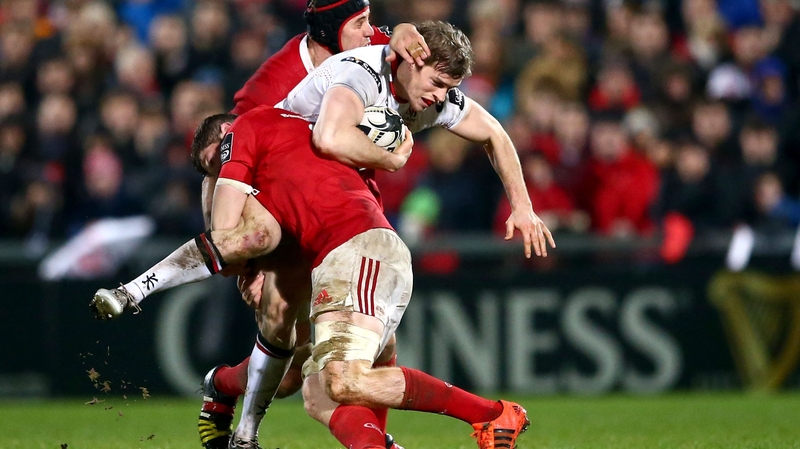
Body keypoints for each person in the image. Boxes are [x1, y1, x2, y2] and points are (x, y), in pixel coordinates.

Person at [94, 1, 429, 448]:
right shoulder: (262, 98)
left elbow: (416, 51)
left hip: (345, 218)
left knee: (314, 377)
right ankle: (252, 433)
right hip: (291, 226)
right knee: (301, 357)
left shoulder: (369, 47)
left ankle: (225, 388)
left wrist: (407, 30)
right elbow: (223, 171)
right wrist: (246, 261)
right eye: (363, 23)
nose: (372, 32)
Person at [195, 105, 531, 449]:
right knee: (310, 387)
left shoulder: (302, 112)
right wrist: (253, 267)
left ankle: (490, 413)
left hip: (352, 247)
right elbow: (227, 204)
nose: (219, 171)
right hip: (327, 258)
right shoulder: (263, 141)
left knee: (340, 380)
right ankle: (222, 385)